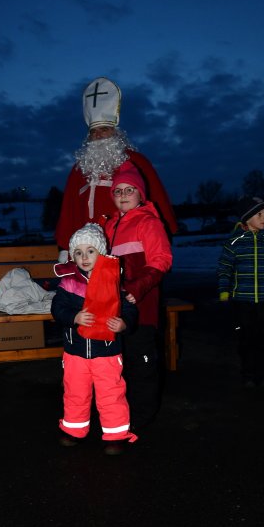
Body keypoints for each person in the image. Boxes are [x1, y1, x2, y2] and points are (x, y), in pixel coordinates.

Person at [55, 76, 177, 259]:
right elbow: (68, 211)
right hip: (88, 250)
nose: (99, 135)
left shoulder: (136, 161)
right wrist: (65, 246)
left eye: (104, 129)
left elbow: (156, 200)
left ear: (115, 132)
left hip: (130, 246)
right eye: (93, 131)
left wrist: (160, 238)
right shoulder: (79, 169)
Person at [51, 222, 138, 455]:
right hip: (75, 353)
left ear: (102, 253)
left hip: (107, 353)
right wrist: (74, 316)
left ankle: (116, 435)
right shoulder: (68, 283)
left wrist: (124, 323)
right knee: (75, 392)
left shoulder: (114, 282)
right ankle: (73, 431)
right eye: (78, 253)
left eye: (91, 251)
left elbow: (129, 309)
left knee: (111, 393)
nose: (84, 257)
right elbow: (57, 309)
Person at [104, 161, 173, 430]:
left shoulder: (149, 222)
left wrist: (137, 288)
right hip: (114, 308)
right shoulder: (109, 226)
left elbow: (161, 261)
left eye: (129, 189)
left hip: (141, 306)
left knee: (141, 362)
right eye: (118, 190)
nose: (122, 195)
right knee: (117, 364)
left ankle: (142, 418)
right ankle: (119, 415)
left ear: (140, 194)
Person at [218, 196, 264, 388]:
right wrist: (224, 291)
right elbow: (225, 268)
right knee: (246, 339)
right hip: (243, 300)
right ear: (247, 217)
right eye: (259, 214)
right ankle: (249, 374)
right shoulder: (234, 242)